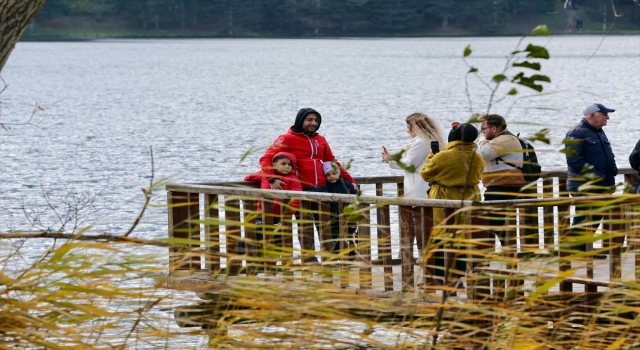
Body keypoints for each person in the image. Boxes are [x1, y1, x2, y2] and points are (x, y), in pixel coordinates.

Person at [259, 108, 356, 262]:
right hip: (301, 190)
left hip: (323, 189)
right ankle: (309, 260)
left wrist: (350, 180)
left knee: (326, 225)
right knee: (305, 227)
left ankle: (331, 258)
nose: (313, 123)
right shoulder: (286, 138)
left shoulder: (321, 140)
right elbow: (266, 159)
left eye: (316, 120)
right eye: (309, 120)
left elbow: (331, 161)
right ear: (300, 120)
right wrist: (272, 179)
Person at [420, 122, 484, 287]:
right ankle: (458, 279)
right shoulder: (477, 156)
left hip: (445, 199)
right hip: (470, 198)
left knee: (441, 238)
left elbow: (426, 174)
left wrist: (431, 157)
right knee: (462, 238)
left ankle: (440, 277)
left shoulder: (443, 156)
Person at [381, 112, 445, 260]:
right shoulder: (432, 140)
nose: (407, 131)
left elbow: (409, 164)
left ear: (415, 127)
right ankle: (426, 254)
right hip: (428, 186)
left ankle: (423, 254)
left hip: (419, 187)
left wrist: (390, 159)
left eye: (408, 127)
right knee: (426, 221)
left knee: (419, 221)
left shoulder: (420, 142)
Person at [565, 103, 617, 257]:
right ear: (592, 115)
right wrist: (596, 175)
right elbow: (574, 160)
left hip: (603, 184)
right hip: (585, 184)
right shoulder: (576, 133)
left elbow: (609, 154)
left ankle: (583, 249)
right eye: (604, 114)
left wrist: (612, 169)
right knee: (584, 216)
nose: (607, 117)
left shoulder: (599, 132)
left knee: (595, 216)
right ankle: (572, 249)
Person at [477, 114, 528, 247]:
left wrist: (472, 143)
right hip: (499, 187)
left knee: (488, 223)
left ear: (494, 129)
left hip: (504, 187)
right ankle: (506, 254)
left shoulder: (505, 140)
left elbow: (481, 155)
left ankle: (498, 256)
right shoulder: (499, 140)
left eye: (483, 128)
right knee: (496, 224)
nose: (481, 132)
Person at [243, 152, 303, 255]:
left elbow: (296, 198)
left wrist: (290, 213)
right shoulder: (265, 175)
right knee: (254, 235)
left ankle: (272, 264)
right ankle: (240, 256)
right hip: (261, 213)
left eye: (289, 164)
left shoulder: (293, 179)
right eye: (283, 164)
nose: (287, 166)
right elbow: (248, 178)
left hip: (279, 216)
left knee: (277, 241)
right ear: (274, 165)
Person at [322, 161, 358, 257]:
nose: (332, 176)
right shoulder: (325, 187)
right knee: (336, 238)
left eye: (334, 173)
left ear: (339, 173)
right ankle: (340, 257)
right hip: (333, 217)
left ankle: (352, 255)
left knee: (351, 236)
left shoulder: (347, 184)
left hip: (349, 217)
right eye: (328, 175)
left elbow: (355, 198)